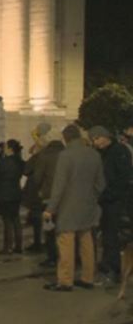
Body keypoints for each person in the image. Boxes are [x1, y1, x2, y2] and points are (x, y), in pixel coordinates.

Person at [43, 125, 105, 292]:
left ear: (66, 138)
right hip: (88, 205)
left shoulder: (65, 156)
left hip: (68, 207)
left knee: (66, 243)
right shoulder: (94, 155)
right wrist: (92, 197)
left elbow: (59, 186)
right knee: (87, 241)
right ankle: (88, 277)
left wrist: (51, 208)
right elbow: (100, 183)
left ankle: (65, 280)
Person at [89, 126, 133, 285]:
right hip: (104, 199)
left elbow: (123, 176)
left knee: (111, 235)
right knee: (107, 235)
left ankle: (113, 270)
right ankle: (107, 266)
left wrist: (111, 195)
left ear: (104, 136)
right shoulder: (101, 153)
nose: (95, 143)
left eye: (96, 139)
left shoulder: (119, 151)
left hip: (115, 201)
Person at [34, 128, 66, 268]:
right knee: (65, 229)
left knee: (50, 228)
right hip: (66, 197)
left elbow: (37, 178)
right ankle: (67, 256)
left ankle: (52, 256)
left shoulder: (44, 155)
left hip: (48, 196)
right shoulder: (66, 153)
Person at [0, 140, 26, 255]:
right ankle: (18, 244)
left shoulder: (5, 162)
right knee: (16, 219)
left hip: (6, 193)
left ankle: (8, 246)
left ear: (10, 149)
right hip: (16, 191)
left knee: (7, 221)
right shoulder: (20, 162)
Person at [22, 124, 51, 253]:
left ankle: (39, 242)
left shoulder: (38, 158)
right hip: (46, 193)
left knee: (37, 220)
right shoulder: (51, 157)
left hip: (37, 193)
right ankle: (45, 243)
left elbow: (27, 170)